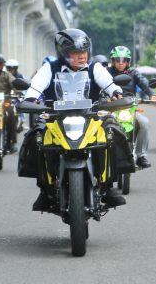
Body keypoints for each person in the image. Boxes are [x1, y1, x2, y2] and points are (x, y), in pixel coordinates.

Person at [22, 28, 127, 211]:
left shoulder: (95, 68)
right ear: (63, 54)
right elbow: (36, 86)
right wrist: (30, 98)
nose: (82, 56)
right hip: (56, 118)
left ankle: (108, 186)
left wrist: (116, 93)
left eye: (84, 51)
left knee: (113, 132)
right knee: (36, 136)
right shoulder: (50, 68)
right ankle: (44, 189)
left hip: (91, 117)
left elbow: (109, 84)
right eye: (76, 52)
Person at [106, 45, 156, 168]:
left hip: (129, 109)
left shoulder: (134, 73)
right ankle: (103, 158)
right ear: (113, 60)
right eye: (118, 60)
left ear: (128, 61)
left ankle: (141, 156)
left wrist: (152, 94)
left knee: (144, 122)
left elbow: (144, 83)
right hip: (111, 109)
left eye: (124, 60)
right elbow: (98, 85)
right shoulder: (106, 73)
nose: (121, 63)